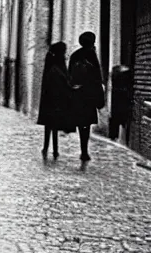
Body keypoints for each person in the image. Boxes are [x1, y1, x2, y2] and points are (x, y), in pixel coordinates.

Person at [68, 31, 105, 162]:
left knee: (81, 122)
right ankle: (84, 150)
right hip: (88, 95)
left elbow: (69, 77)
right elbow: (97, 77)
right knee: (86, 124)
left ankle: (83, 150)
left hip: (78, 95)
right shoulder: (91, 55)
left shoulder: (75, 55)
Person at [37, 42, 76, 160]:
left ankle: (49, 148)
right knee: (53, 126)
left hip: (51, 102)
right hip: (55, 101)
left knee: (50, 127)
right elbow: (61, 85)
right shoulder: (56, 68)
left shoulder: (52, 66)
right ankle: (53, 149)